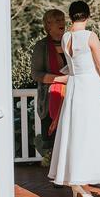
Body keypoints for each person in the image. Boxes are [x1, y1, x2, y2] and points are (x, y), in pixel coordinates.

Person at [48, 1, 100, 197]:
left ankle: (77, 182)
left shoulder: (65, 38)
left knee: (75, 132)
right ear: (87, 16)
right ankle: (81, 182)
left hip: (73, 85)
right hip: (89, 85)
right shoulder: (90, 36)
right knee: (90, 132)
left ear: (71, 16)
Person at [31, 9, 68, 152]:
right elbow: (36, 74)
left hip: (71, 96)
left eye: (62, 19)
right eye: (57, 20)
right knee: (51, 143)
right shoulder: (41, 46)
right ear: (48, 25)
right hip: (49, 100)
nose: (61, 23)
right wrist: (62, 79)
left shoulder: (70, 42)